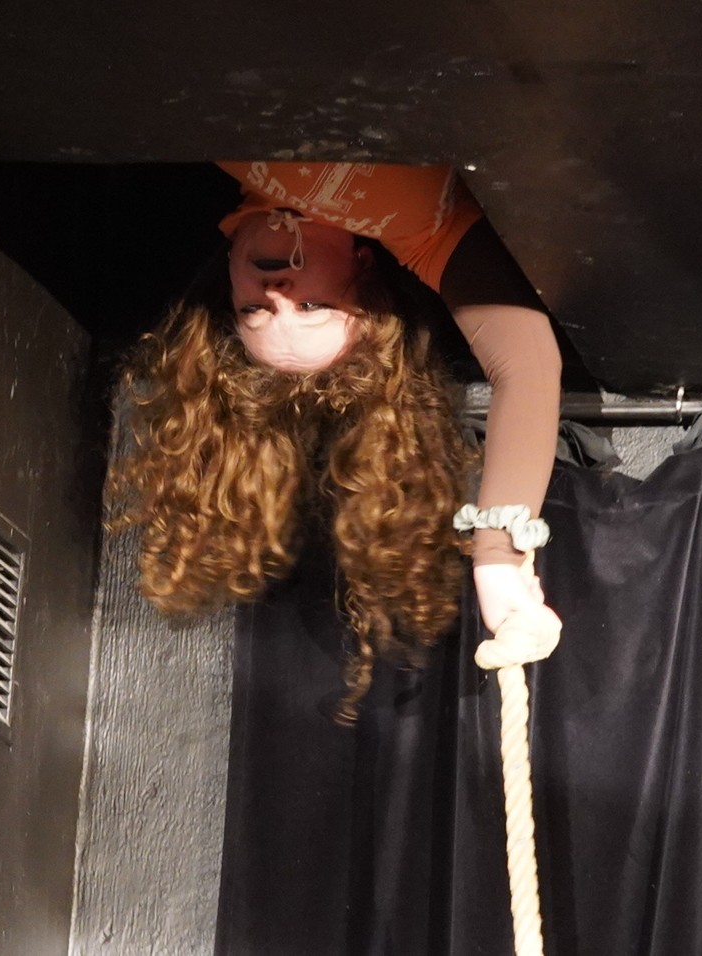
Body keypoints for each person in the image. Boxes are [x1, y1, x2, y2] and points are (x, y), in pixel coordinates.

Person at [109, 160, 562, 719]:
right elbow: (527, 366)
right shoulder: (429, 228)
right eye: (311, 306)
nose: (276, 291)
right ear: (362, 267)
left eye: (254, 309)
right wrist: (497, 559)